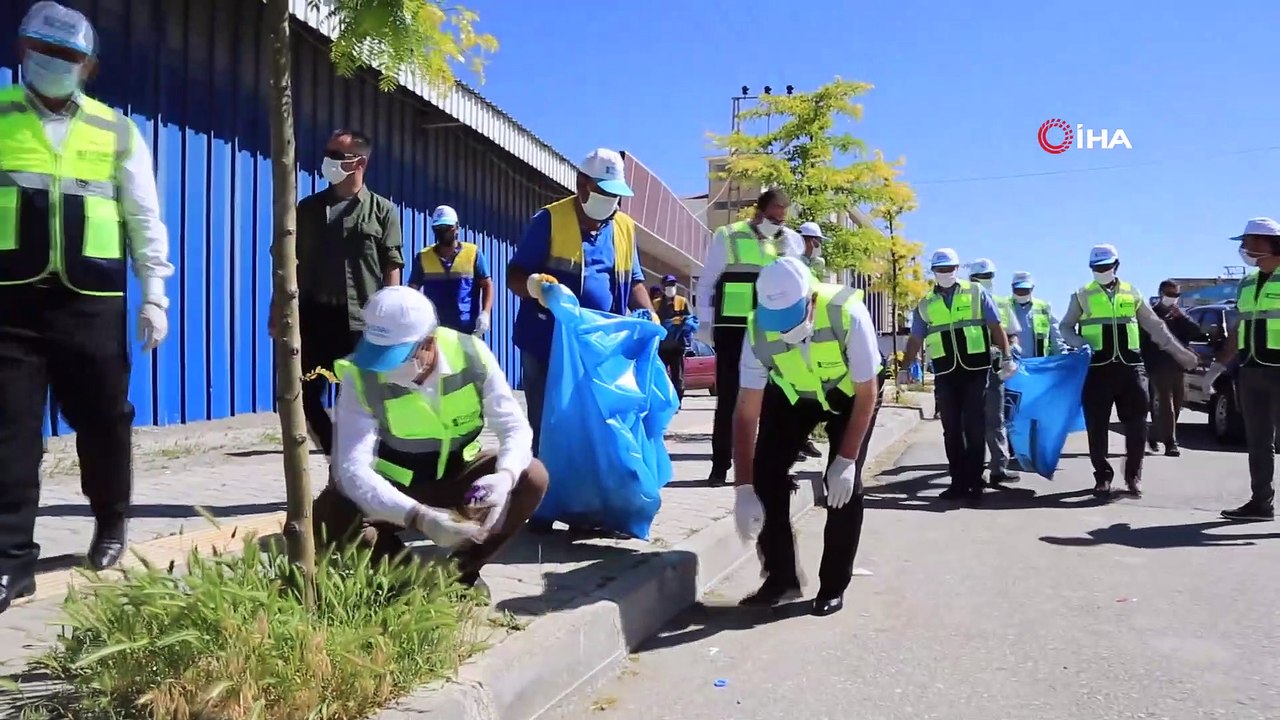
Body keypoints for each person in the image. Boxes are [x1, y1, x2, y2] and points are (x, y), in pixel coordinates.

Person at [0, 2, 174, 612]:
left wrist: (155, 292)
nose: (55, 62)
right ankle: (11, 561)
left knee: (104, 419)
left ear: (88, 65)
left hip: (91, 301)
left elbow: (143, 215)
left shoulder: (115, 130)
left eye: (69, 55)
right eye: (45, 51)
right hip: (10, 302)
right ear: (23, 50)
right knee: (10, 431)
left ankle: (110, 520)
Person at [314, 286, 549, 590]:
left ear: (429, 342)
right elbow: (351, 467)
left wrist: (505, 476)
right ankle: (410, 580)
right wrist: (418, 517)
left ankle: (460, 574)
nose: (385, 369)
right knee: (333, 511)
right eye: (379, 355)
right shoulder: (360, 375)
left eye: (396, 357)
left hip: (459, 479)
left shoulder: (471, 356)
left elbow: (514, 426)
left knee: (532, 476)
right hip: (396, 483)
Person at [731, 258, 882, 616]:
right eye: (777, 321)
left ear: (810, 301)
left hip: (849, 396)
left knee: (843, 489)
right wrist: (743, 487)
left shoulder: (848, 313)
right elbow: (746, 413)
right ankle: (781, 578)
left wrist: (846, 460)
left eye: (791, 319)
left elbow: (867, 393)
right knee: (766, 476)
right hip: (795, 396)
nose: (784, 330)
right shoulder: (756, 331)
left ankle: (833, 585)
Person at [506, 148, 654, 456]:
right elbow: (514, 275)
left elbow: (634, 280)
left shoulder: (624, 227)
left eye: (615, 194)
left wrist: (649, 312)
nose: (610, 200)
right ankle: (546, 482)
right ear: (582, 184)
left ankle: (588, 483)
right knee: (548, 427)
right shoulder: (549, 220)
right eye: (604, 192)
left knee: (597, 428)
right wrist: (535, 286)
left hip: (599, 348)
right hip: (546, 344)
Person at [273, 128, 403, 457]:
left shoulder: (382, 211)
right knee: (299, 395)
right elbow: (287, 262)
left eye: (336, 155)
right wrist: (277, 308)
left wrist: (392, 319)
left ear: (359, 162)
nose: (327, 161)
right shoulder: (308, 210)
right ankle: (336, 456)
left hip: (360, 323)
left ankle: (363, 467)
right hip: (314, 319)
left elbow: (392, 265)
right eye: (327, 153)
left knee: (362, 404)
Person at [1059, 244, 1198, 498]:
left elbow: (1155, 326)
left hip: (1131, 368)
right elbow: (1065, 327)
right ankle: (1102, 476)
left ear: (1116, 266)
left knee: (1137, 425)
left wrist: (1179, 353)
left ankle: (1134, 476)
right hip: (1097, 369)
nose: (1101, 271)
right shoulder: (1081, 295)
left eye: (1105, 266)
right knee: (1097, 426)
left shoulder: (1132, 292)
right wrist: (1080, 343)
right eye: (1096, 267)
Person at [695, 189, 804, 484]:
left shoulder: (790, 240)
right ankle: (720, 466)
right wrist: (704, 322)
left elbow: (799, 285)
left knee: (773, 398)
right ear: (759, 212)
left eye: (782, 219)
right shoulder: (729, 235)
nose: (777, 223)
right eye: (772, 217)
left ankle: (765, 466)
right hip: (732, 327)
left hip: (770, 328)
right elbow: (707, 282)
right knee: (729, 399)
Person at [898, 249, 1017, 505]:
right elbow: (916, 338)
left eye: (950, 269)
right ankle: (958, 482)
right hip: (945, 371)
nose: (946, 273)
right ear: (934, 271)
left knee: (974, 426)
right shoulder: (926, 303)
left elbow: (995, 325)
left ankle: (975, 483)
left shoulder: (976, 292)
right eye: (941, 270)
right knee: (951, 429)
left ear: (957, 269)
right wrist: (904, 367)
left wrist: (1007, 356)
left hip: (975, 369)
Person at [1221, 218, 1280, 521]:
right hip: (1250, 371)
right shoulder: (1245, 283)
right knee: (1258, 442)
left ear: (1271, 243)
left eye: (1249, 242)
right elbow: (1237, 327)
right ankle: (1261, 503)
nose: (1244, 248)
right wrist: (1218, 365)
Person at [967, 258, 1023, 483]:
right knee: (970, 423)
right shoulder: (964, 302)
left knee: (995, 420)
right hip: (968, 368)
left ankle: (999, 469)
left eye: (989, 276)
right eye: (981, 277)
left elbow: (1012, 332)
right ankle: (973, 471)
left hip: (994, 368)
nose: (986, 280)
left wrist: (1012, 348)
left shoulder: (1001, 302)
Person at [407, 205, 493, 337]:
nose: (443, 232)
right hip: (435, 331)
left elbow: (487, 284)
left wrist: (485, 313)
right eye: (439, 228)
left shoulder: (473, 254)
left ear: (457, 227)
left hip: (467, 331)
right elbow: (412, 291)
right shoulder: (423, 258)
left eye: (448, 228)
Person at [1140, 280, 1199, 457]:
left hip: (1178, 365)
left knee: (1178, 403)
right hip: (1158, 365)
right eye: (1170, 294)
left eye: (1176, 295)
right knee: (1167, 403)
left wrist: (1181, 317)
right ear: (1161, 294)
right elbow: (1143, 341)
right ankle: (1171, 443)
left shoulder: (1179, 315)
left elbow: (1196, 331)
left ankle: (1154, 433)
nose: (1173, 298)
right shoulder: (1151, 314)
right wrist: (1147, 364)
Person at [654, 275, 695, 401]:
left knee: (678, 377)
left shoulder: (682, 301)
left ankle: (677, 401)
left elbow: (692, 320)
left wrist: (685, 326)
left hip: (677, 347)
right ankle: (663, 401)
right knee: (660, 375)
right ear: (662, 287)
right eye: (668, 285)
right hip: (661, 347)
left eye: (673, 285)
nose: (671, 287)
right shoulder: (656, 304)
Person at [1007, 271, 1068, 357]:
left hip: (1039, 362)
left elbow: (1056, 337)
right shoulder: (1004, 306)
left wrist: (1062, 356)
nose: (1021, 293)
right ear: (1012, 288)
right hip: (1012, 362)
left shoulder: (1044, 307)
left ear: (1032, 288)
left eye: (1025, 290)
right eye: (1018, 289)